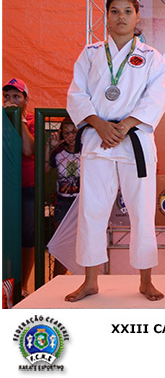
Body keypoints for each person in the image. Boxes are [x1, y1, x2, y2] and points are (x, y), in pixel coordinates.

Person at [66, 0, 165, 301]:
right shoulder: (90, 54)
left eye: (127, 11)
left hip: (134, 139)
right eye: (114, 11)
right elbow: (76, 94)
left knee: (142, 211)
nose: (120, 17)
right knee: (92, 210)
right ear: (106, 17)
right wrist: (99, 124)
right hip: (98, 138)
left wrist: (124, 126)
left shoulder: (152, 57)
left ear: (137, 17)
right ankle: (90, 281)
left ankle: (146, 280)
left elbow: (156, 98)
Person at [3, 78, 36, 295]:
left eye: (17, 96)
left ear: (25, 100)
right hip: (4, 189)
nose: (11, 100)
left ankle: (22, 286)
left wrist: (20, 119)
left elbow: (28, 149)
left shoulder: (31, 119)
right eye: (7, 96)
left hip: (27, 187)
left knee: (28, 237)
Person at [45, 117, 80, 276]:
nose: (71, 136)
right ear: (61, 135)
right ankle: (58, 279)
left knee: (83, 242)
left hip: (81, 201)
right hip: (63, 202)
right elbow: (45, 169)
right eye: (66, 133)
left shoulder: (86, 150)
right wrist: (49, 147)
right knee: (62, 243)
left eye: (74, 132)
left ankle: (83, 278)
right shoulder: (58, 152)